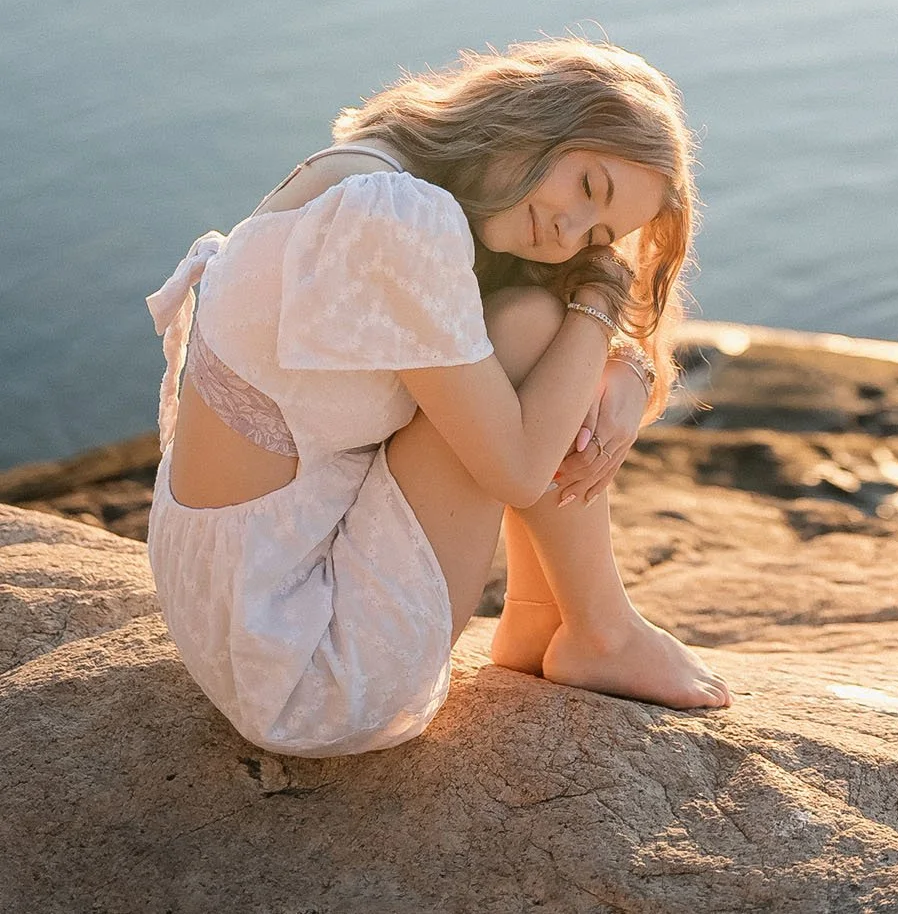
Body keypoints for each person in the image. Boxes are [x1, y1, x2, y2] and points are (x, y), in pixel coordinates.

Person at [143, 38, 729, 757]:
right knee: (534, 329)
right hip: (307, 665)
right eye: (585, 187)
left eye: (599, 236)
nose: (567, 234)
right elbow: (514, 468)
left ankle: (541, 620)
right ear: (532, 117)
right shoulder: (396, 217)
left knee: (531, 324)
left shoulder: (377, 170)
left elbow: (503, 341)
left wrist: (621, 363)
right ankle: (601, 629)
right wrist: (601, 299)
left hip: (248, 604)